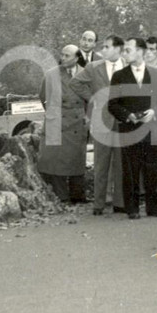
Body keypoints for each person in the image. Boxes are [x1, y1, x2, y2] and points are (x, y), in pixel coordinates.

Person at [108, 37, 157, 219]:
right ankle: (132, 208)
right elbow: (112, 104)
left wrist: (154, 112)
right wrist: (127, 115)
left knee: (151, 168)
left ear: (140, 51)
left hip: (152, 128)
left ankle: (153, 207)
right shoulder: (119, 75)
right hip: (129, 129)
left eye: (128, 50)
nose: (124, 53)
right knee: (130, 169)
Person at [71, 35, 126, 215]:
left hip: (123, 121)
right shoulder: (94, 67)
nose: (103, 50)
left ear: (118, 49)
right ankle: (99, 204)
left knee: (121, 164)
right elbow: (75, 83)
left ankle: (120, 202)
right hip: (101, 121)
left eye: (108, 47)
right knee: (101, 164)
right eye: (103, 47)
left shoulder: (129, 67)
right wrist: (92, 98)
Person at [37, 45, 88, 203]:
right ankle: (61, 196)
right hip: (57, 120)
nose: (63, 58)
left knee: (77, 159)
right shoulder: (51, 74)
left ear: (77, 58)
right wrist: (54, 113)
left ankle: (78, 195)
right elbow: (43, 96)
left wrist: (84, 115)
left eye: (67, 56)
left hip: (77, 121)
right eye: (62, 55)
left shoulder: (86, 74)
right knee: (56, 160)